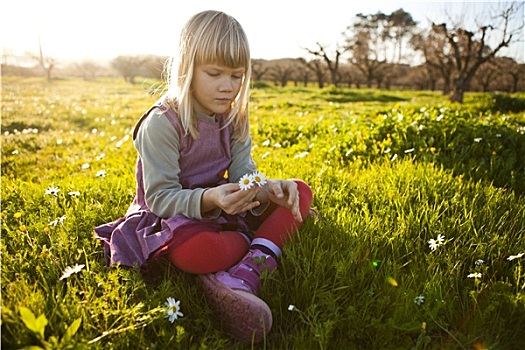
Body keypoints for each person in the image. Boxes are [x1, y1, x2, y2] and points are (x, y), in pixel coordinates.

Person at [94, 10, 313, 344]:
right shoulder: (162, 124)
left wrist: (269, 190)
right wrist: (211, 199)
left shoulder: (235, 117)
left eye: (237, 76)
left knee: (299, 191)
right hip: (173, 214)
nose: (228, 87)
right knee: (196, 250)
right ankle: (252, 249)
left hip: (222, 201)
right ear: (188, 69)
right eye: (215, 74)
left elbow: (244, 177)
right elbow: (161, 198)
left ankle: (245, 268)